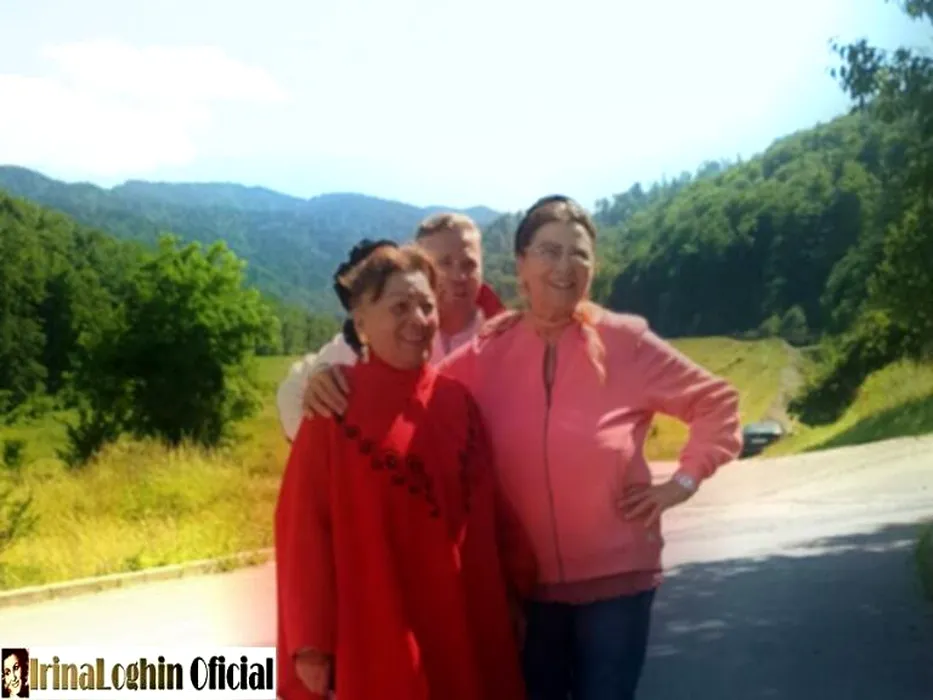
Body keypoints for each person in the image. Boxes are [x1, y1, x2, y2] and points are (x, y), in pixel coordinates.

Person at [296, 195, 743, 700]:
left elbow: (718, 403)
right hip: (530, 592)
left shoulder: (627, 343)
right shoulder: (490, 350)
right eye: (549, 251)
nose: (564, 266)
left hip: (617, 584)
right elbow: (410, 387)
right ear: (521, 264)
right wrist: (328, 377)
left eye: (579, 254)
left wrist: (682, 481)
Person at [274, 240, 536, 700]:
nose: (418, 320)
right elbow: (302, 528)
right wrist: (310, 642)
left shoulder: (457, 403)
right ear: (361, 322)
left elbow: (490, 508)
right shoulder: (333, 408)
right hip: (378, 624)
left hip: (464, 615)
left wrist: (516, 587)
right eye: (399, 307)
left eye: (426, 306)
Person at [276, 212, 504, 440]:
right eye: (444, 263)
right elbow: (292, 389)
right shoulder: (384, 335)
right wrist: (320, 388)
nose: (458, 276)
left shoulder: (507, 338)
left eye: (469, 264)